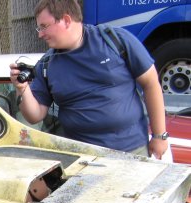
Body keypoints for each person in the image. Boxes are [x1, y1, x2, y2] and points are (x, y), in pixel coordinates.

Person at [10, 0, 169, 159]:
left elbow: (151, 84)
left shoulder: (114, 40)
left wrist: (159, 135)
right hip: (82, 158)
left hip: (132, 151)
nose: (40, 34)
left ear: (66, 20)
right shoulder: (46, 65)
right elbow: (34, 115)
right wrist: (22, 89)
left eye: (44, 26)